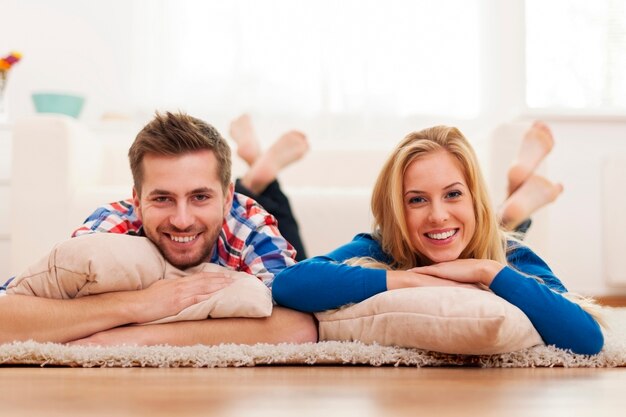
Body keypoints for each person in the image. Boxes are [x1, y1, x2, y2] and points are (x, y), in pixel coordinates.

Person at [272, 123, 604, 355]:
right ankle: (517, 204)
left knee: (492, 231)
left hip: (490, 239)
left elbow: (587, 338)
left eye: (453, 194)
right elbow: (289, 284)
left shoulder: (509, 254)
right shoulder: (381, 246)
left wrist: (488, 272)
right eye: (417, 199)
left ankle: (515, 207)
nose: (437, 215)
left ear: (475, 198)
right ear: (397, 210)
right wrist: (407, 280)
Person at [0, 111, 317, 346]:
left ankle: (261, 176)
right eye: (163, 198)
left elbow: (301, 326)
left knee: (303, 260)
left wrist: (140, 336)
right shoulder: (112, 226)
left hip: (249, 215)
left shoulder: (246, 222)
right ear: (136, 202)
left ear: (227, 199)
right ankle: (256, 170)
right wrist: (140, 305)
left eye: (200, 197)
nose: (182, 219)